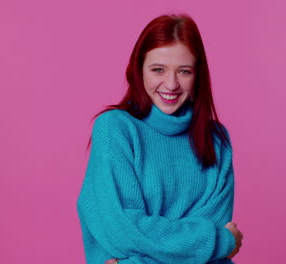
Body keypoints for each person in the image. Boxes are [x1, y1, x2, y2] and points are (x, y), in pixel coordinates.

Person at [77, 14, 243, 264]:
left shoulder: (216, 140)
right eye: (158, 69)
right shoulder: (115, 128)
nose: (171, 84)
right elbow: (122, 231)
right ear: (139, 69)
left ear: (198, 76)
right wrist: (217, 242)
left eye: (184, 71)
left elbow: (212, 253)